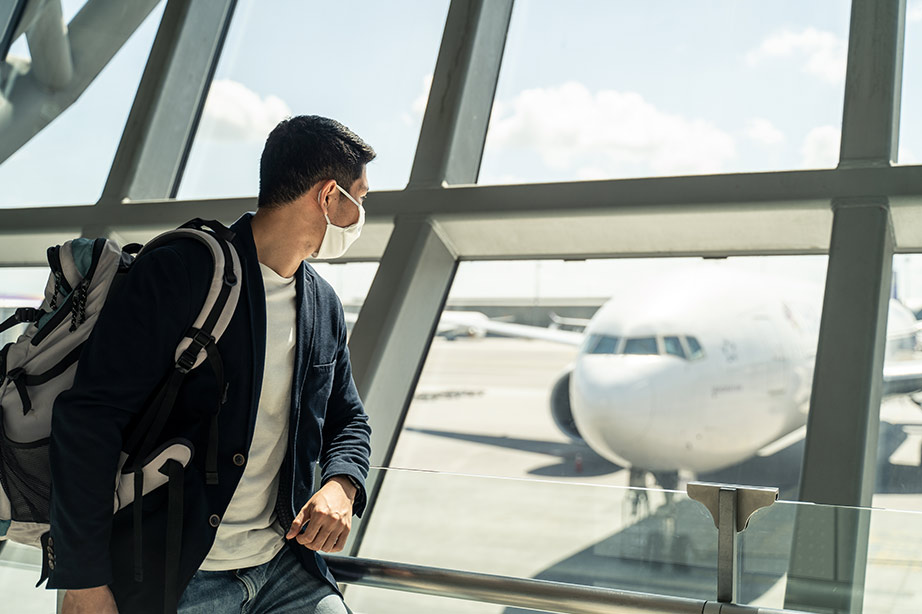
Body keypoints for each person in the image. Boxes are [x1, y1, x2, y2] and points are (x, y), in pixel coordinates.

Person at [47, 115, 375, 614]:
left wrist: (342, 483)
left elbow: (348, 418)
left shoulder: (322, 304)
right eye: (361, 199)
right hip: (176, 577)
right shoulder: (184, 271)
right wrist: (84, 580)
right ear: (330, 196)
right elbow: (89, 419)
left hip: (285, 568)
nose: (360, 216)